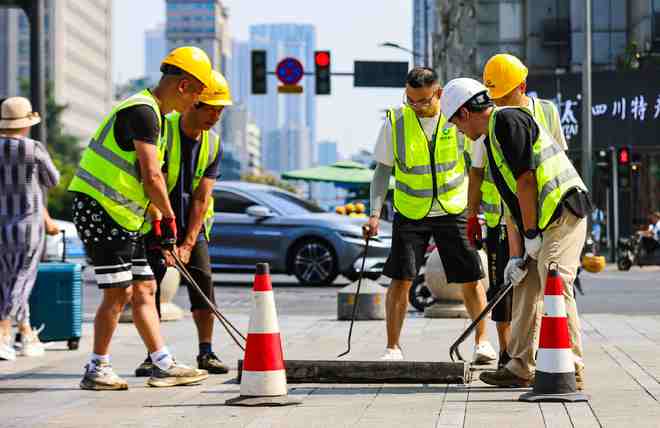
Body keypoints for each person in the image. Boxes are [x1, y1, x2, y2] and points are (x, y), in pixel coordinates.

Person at [67, 46, 213, 390]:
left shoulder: (156, 116)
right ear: (183, 85)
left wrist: (155, 217)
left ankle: (162, 363)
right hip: (99, 210)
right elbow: (151, 176)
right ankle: (97, 368)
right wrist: (168, 216)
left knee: (146, 287)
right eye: (196, 93)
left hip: (124, 215)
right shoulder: (143, 112)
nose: (195, 103)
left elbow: (136, 179)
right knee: (118, 291)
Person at [441, 77, 592, 389]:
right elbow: (511, 202)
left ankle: (572, 369)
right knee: (524, 287)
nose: (459, 131)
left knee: (554, 285)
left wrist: (533, 232)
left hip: (563, 212)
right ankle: (519, 366)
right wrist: (516, 257)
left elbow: (526, 179)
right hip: (541, 222)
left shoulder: (507, 121)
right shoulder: (491, 143)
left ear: (465, 113)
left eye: (456, 123)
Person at [365, 67, 495, 363]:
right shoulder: (396, 120)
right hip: (411, 211)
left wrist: (482, 209)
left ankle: (482, 343)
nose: (416, 106)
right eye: (410, 99)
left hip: (453, 207)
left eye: (423, 101)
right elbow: (382, 171)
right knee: (401, 279)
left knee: (471, 276)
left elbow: (476, 166)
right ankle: (392, 348)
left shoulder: (457, 118)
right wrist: (374, 214)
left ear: (438, 94)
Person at [466, 53, 569, 369]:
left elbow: (542, 173)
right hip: (509, 217)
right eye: (494, 97)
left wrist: (534, 232)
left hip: (549, 214)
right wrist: (474, 215)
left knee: (553, 288)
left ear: (523, 86)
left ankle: (563, 363)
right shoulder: (490, 121)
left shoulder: (544, 113)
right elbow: (487, 177)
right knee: (513, 288)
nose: (499, 103)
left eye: (504, 96)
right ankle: (512, 358)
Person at [134, 70, 231, 377]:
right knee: (151, 285)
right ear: (192, 103)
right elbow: (149, 179)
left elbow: (203, 197)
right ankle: (155, 355)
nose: (215, 116)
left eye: (220, 110)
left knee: (203, 284)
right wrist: (164, 234)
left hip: (193, 225)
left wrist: (188, 243)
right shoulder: (162, 129)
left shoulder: (214, 145)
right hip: (156, 219)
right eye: (210, 108)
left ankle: (206, 351)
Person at [0, 97, 60, 361]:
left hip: (1, 226)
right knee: (23, 278)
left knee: (7, 280)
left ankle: (26, 335)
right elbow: (53, 179)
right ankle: (3, 330)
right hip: (28, 225)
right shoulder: (33, 148)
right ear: (25, 125)